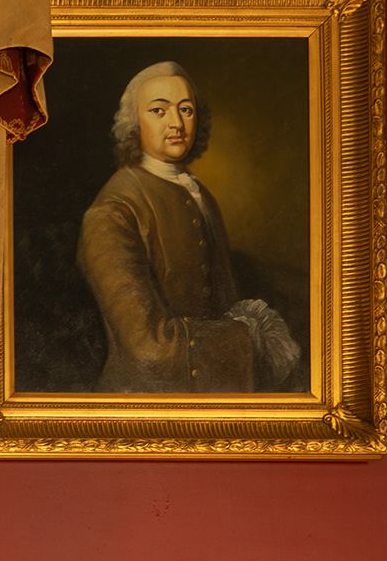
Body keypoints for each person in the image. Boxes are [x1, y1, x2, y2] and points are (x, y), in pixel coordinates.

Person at [76, 62, 303, 393]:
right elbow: (148, 346)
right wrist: (250, 336)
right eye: (159, 110)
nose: (177, 123)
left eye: (186, 109)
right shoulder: (113, 211)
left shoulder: (200, 194)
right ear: (132, 123)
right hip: (143, 402)